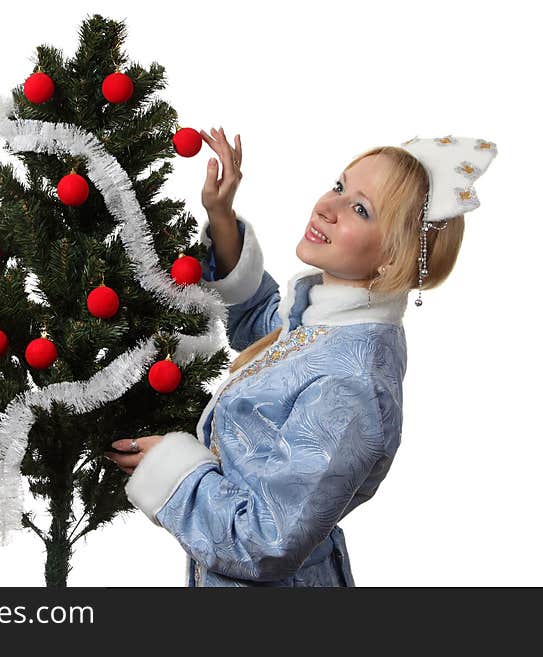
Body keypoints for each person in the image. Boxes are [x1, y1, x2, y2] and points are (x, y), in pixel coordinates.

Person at [105, 127, 497, 587]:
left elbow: (265, 541)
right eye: (339, 185)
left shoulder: (349, 383)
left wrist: (171, 470)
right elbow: (268, 332)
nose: (325, 207)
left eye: (359, 209)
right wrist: (222, 215)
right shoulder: (331, 315)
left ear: (393, 257)